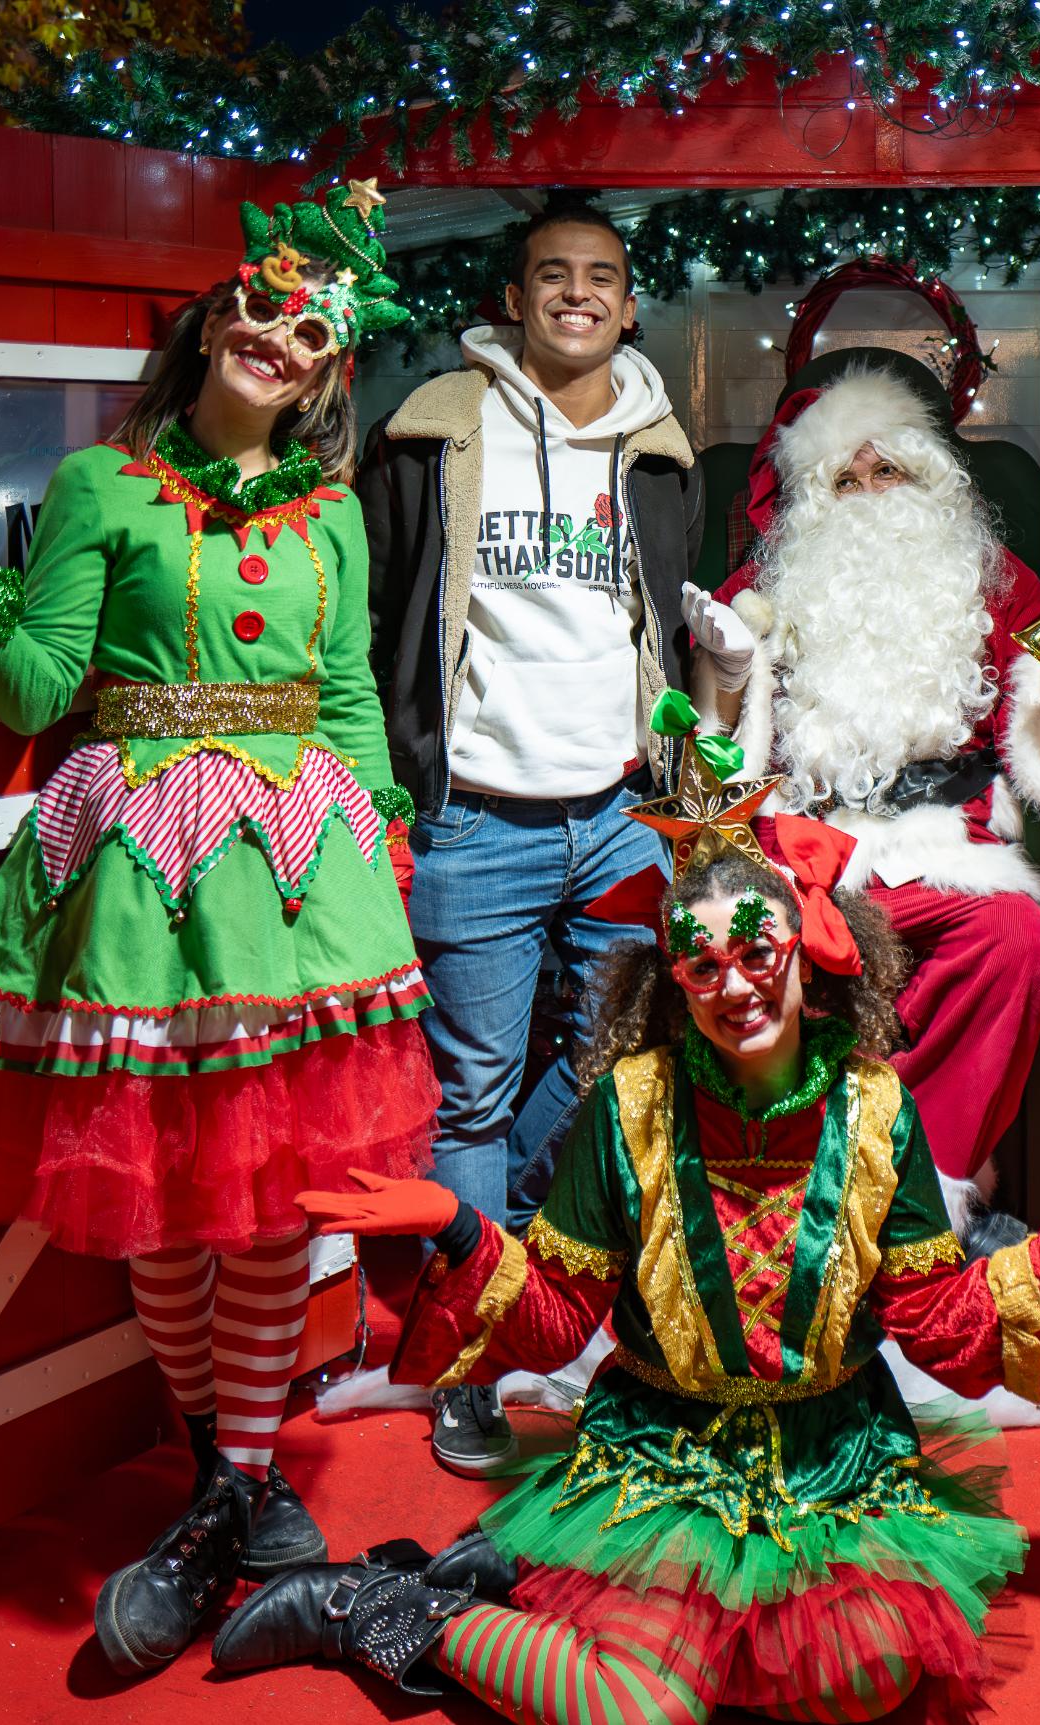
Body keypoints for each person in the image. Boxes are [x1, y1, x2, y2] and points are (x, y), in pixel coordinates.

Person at [209, 705, 1040, 1721]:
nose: (734, 985)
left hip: (833, 1461)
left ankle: (598, 1606)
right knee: (640, 1709)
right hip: (663, 1458)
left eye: (756, 952)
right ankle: (381, 1606)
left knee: (863, 1683)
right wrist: (459, 1227)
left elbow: (928, 1317)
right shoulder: (630, 1106)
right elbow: (556, 1318)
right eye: (702, 964)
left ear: (807, 953)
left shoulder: (875, 1109)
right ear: (674, 980)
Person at [0, 183, 436, 1674]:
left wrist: (382, 848)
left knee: (274, 1206)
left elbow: (344, 697)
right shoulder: (98, 486)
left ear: (327, 371)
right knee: (167, 1206)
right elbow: (36, 685)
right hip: (141, 874)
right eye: (261, 304)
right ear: (214, 319)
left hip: (303, 878)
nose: (278, 336)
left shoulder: (333, 512)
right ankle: (227, 1472)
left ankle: (235, 1480)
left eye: (312, 330)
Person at [357, 200, 704, 1478]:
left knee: (628, 1052)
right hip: (476, 818)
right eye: (551, 275)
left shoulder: (660, 451)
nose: (575, 294)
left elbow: (662, 621)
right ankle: (470, 1353)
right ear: (513, 298)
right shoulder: (435, 428)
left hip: (619, 813)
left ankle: (520, 1253)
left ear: (628, 303)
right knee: (473, 1092)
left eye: (600, 277)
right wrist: (395, 780)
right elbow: (380, 613)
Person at [682, 360, 1040, 1238]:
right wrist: (724, 678)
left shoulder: (996, 579)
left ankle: (913, 1193)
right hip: (806, 849)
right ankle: (797, 1190)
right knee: (773, 947)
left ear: (927, 476)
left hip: (944, 842)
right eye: (845, 479)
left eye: (887, 470)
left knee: (1012, 935)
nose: (869, 493)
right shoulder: (760, 594)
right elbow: (707, 757)